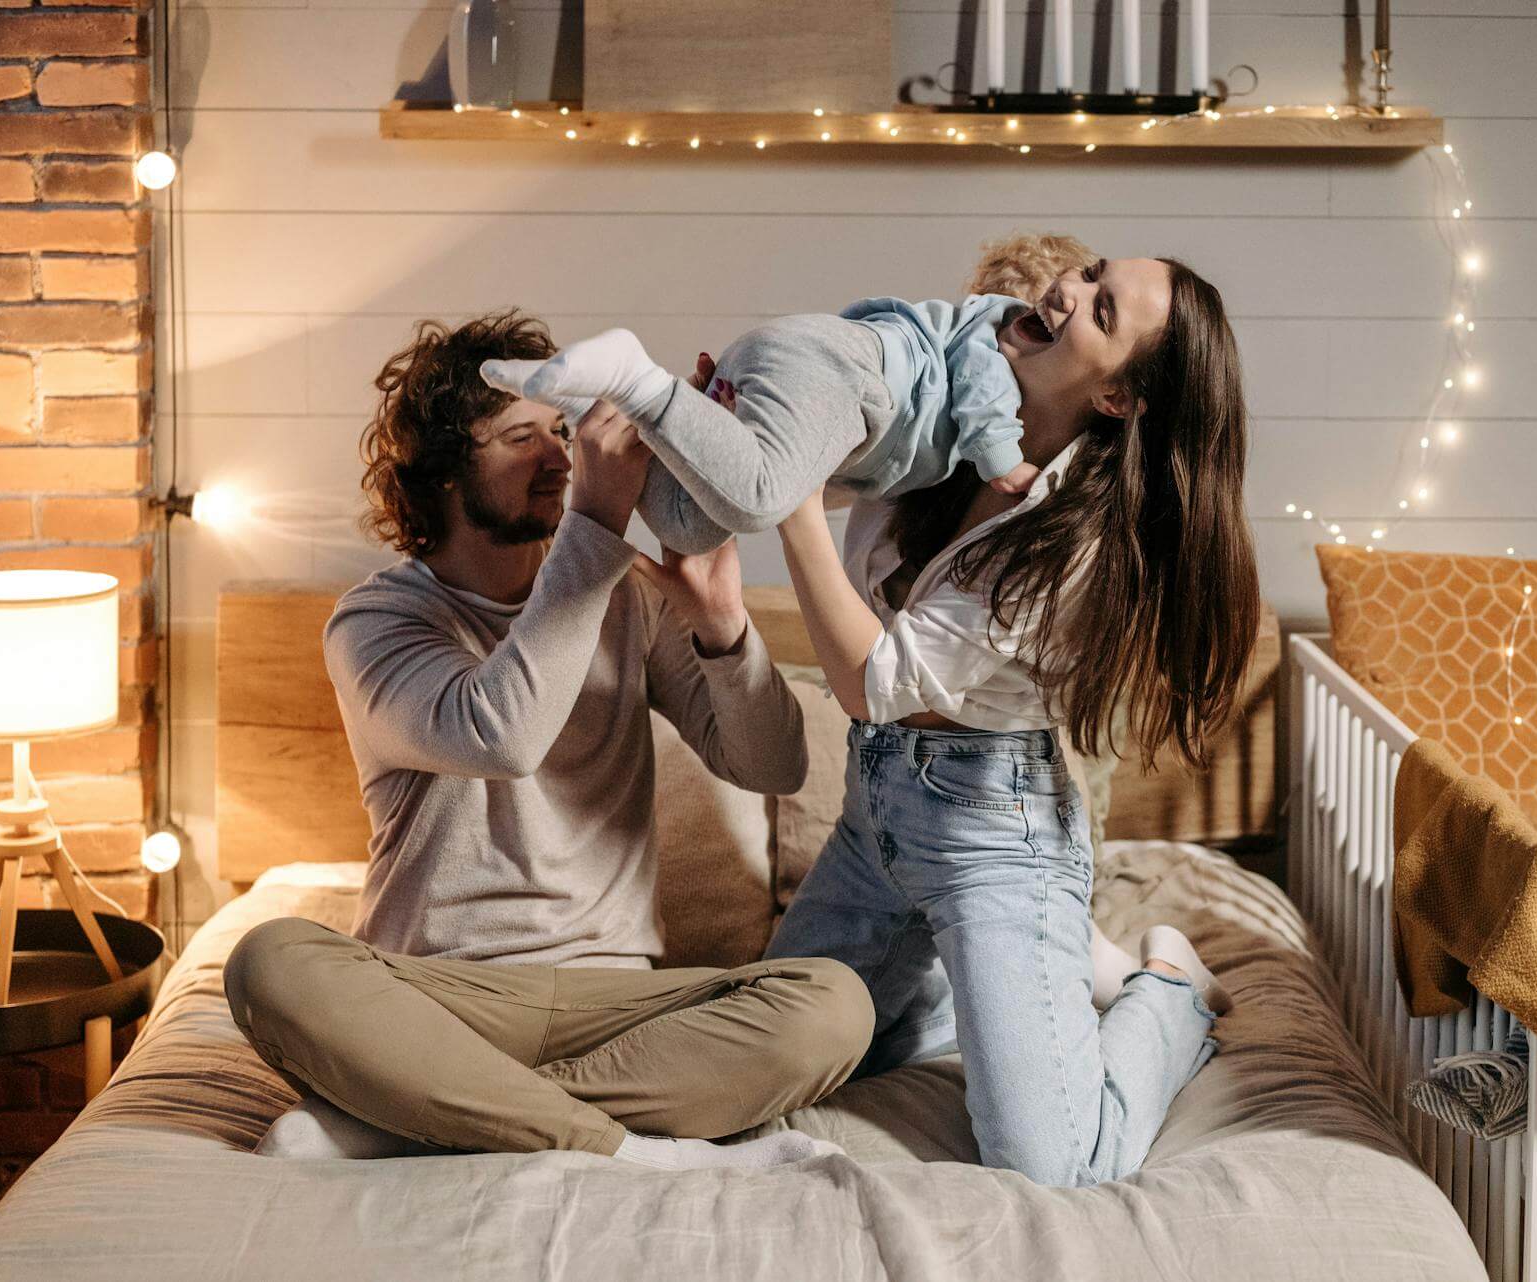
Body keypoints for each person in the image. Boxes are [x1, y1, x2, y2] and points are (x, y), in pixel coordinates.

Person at [222, 311, 873, 1172]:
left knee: (835, 1006)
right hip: (440, 994)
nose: (562, 457)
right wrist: (596, 527)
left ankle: (417, 1114)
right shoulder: (378, 620)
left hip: (619, 997)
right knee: (268, 961)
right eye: (521, 434)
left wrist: (722, 627)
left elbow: (772, 763)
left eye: (563, 429)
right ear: (446, 473)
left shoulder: (627, 597)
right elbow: (503, 733)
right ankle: (631, 1150)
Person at [761, 255, 1259, 1188]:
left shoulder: (1080, 538)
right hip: (879, 814)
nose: (1065, 289)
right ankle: (990, 991)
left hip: (994, 834)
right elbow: (834, 464)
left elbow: (885, 682)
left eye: (1100, 309)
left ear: (1118, 399)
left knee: (1054, 1163)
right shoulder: (957, 394)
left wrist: (787, 510)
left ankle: (1170, 991)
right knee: (774, 1056)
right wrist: (760, 417)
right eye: (1090, 270)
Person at [486, 264, 1098, 557]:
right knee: (758, 499)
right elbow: (979, 376)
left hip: (814, 385)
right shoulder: (996, 328)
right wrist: (1003, 460)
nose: (1069, 291)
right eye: (1088, 274)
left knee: (690, 527)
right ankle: (634, 377)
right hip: (839, 369)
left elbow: (840, 482)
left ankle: (598, 401)